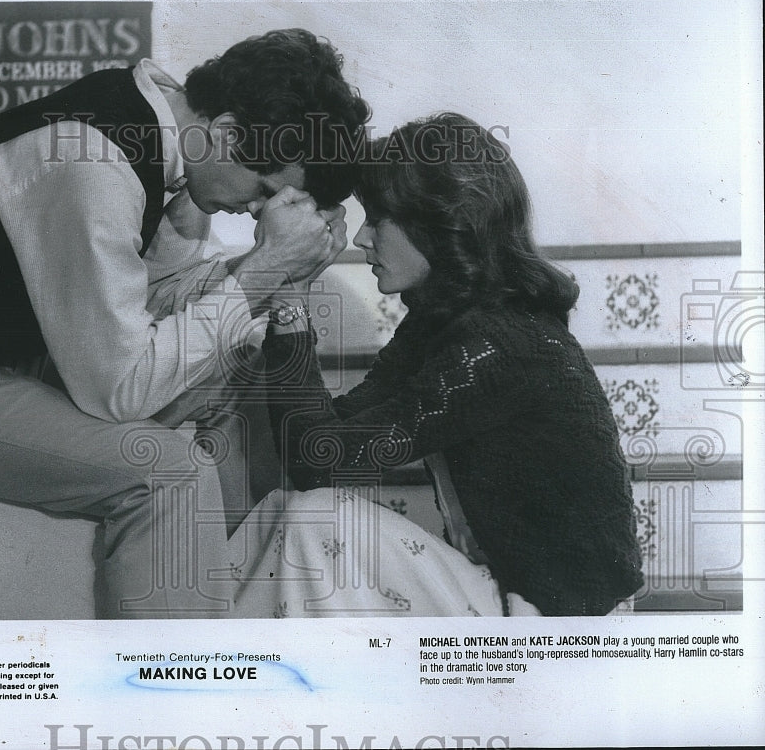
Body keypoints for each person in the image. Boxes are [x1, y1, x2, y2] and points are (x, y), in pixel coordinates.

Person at [0, 28, 369, 619]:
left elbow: (132, 316)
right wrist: (262, 270)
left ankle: (221, 603)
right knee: (167, 472)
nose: (258, 213)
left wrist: (273, 274)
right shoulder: (90, 158)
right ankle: (178, 689)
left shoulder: (155, 131)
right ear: (227, 132)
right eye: (263, 191)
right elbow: (120, 389)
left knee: (238, 371)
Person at [226, 113, 644, 618]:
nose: (362, 239)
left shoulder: (500, 345)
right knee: (288, 513)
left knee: (314, 520)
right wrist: (290, 288)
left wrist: (288, 302)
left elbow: (320, 463)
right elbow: (325, 438)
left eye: (378, 218)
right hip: (513, 598)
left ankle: (200, 658)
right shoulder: (447, 323)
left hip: (565, 626)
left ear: (440, 223)